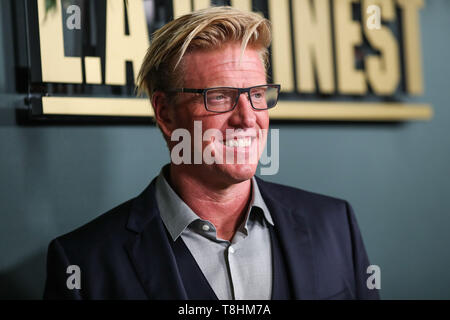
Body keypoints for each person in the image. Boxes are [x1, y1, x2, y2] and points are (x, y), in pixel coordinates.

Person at [43, 6, 379, 300]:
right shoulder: (83, 263)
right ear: (165, 113)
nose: (248, 118)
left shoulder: (335, 225)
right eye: (219, 96)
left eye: (257, 94)